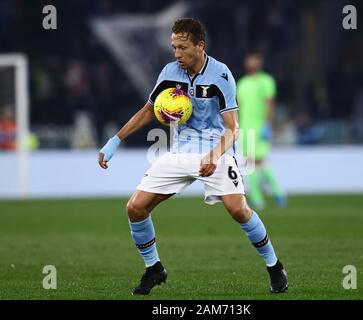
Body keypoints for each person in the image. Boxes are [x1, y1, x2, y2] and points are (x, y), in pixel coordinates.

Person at [98, 18, 288, 295]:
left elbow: (233, 129)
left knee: (239, 210)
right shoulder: (170, 72)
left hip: (217, 148)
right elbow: (149, 110)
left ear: (200, 46)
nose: (177, 54)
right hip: (181, 150)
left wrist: (213, 156)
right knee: (135, 208)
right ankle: (154, 269)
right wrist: (115, 141)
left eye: (183, 47)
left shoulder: (221, 75)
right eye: (174, 47)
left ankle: (274, 266)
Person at [237, 53, 287, 209]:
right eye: (249, 60)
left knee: (259, 161)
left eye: (254, 60)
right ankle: (259, 197)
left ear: (260, 63)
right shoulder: (241, 83)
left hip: (259, 127)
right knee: (249, 162)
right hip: (245, 127)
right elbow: (238, 106)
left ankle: (276, 193)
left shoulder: (266, 81)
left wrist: (267, 124)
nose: (251, 63)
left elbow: (270, 103)